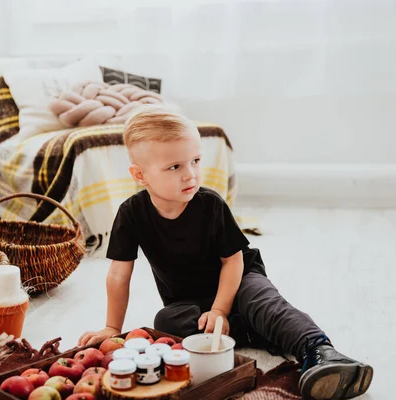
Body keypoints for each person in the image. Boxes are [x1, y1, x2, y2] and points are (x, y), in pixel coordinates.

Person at [78, 107, 373, 399]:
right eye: (175, 167)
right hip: (189, 301)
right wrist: (112, 328)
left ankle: (320, 352)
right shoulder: (131, 213)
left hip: (239, 277)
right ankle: (254, 331)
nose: (190, 174)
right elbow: (119, 273)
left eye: (195, 161)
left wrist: (220, 308)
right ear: (140, 175)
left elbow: (233, 260)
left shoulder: (210, 204)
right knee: (166, 321)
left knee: (260, 300)